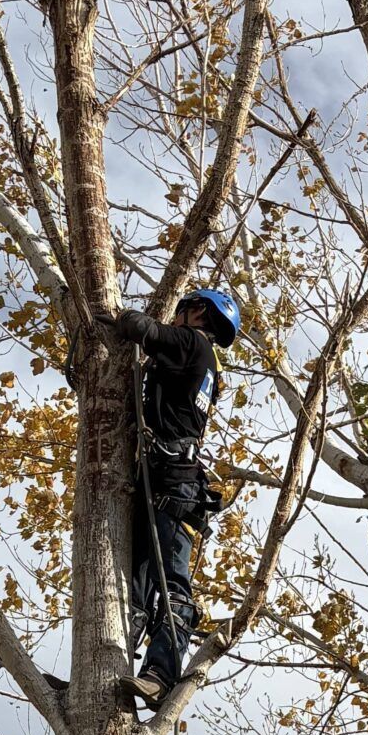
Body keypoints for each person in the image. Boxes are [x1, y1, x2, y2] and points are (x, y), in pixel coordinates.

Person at [104, 285, 240, 706]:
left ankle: (162, 674)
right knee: (140, 585)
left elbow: (139, 327)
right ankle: (112, 672)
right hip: (166, 475)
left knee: (171, 582)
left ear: (196, 311)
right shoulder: (204, 363)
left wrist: (115, 318)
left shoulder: (192, 342)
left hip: (178, 483)